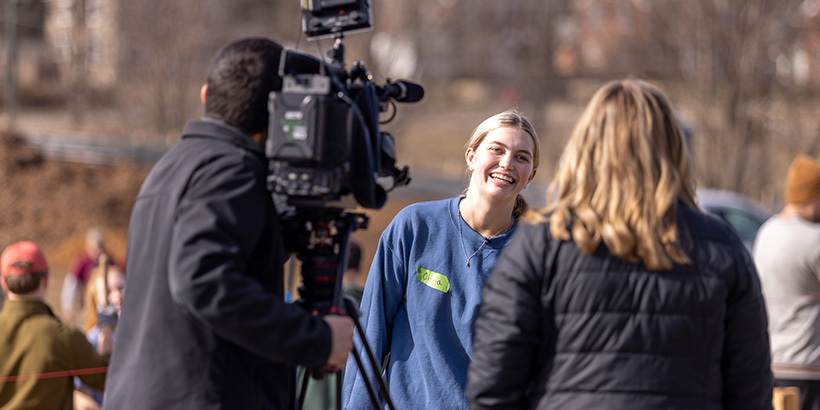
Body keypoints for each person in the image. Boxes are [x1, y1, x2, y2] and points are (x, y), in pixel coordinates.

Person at [466, 79, 773, 409]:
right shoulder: (721, 246)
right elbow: (750, 389)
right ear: (673, 148)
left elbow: (493, 387)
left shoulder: (543, 241)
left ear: (588, 146)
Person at [103, 37, 354, 410]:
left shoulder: (174, 165)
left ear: (207, 96)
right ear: (280, 113)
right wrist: (314, 339)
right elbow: (201, 280)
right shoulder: (231, 170)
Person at [342, 109, 541, 409]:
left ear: (531, 177)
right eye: (497, 150)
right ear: (472, 157)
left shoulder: (536, 256)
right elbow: (371, 335)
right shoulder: (414, 227)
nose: (507, 163)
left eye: (521, 157)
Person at [0, 241, 112, 409]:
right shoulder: (65, 336)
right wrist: (106, 328)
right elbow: (106, 378)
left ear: (3, 283)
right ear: (46, 281)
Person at [754, 154, 820, 410]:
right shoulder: (813, 239)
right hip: (809, 368)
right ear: (812, 198)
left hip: (772, 364)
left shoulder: (765, 232)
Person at [74, 259, 125, 410]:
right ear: (96, 301)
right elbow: (80, 395)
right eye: (109, 292)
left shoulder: (144, 335)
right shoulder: (91, 340)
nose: (117, 296)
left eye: (121, 288)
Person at [60, 227, 114, 325]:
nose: (97, 251)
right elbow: (71, 284)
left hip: (106, 303)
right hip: (86, 303)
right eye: (94, 248)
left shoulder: (108, 262)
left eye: (100, 247)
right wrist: (68, 304)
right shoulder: (83, 262)